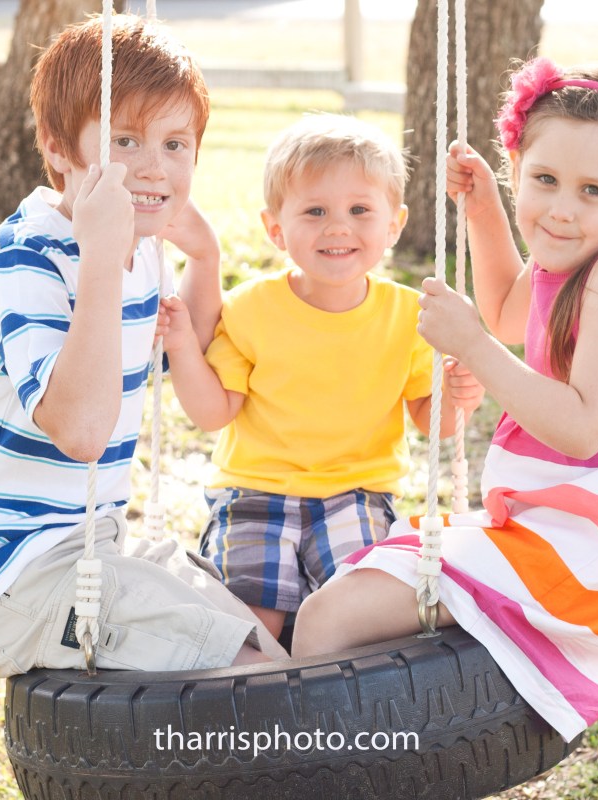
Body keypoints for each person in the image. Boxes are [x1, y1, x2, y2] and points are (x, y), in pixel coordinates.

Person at [291, 58, 598, 741]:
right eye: (544, 180)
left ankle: (337, 762)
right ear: (517, 167)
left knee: (328, 621)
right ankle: (350, 753)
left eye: (592, 190)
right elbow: (505, 311)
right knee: (339, 607)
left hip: (593, 549)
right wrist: (485, 213)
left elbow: (584, 427)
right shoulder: (579, 256)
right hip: (565, 529)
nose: (560, 209)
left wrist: (471, 347)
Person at [0, 14, 284, 678]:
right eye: (125, 141)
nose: (153, 166)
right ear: (58, 149)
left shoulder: (139, 251)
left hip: (89, 551)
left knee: (266, 646)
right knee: (251, 675)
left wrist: (206, 258)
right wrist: (102, 260)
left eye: (176, 144)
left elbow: (181, 348)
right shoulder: (25, 262)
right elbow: (81, 429)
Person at [158, 113, 484, 641]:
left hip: (355, 495)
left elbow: (434, 423)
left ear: (393, 224)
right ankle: (261, 698)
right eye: (315, 211)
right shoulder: (249, 309)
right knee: (253, 626)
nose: (338, 227)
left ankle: (332, 701)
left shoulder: (411, 316)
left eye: (360, 210)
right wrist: (180, 348)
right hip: (254, 493)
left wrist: (462, 391)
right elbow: (213, 413)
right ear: (275, 229)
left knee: (351, 616)